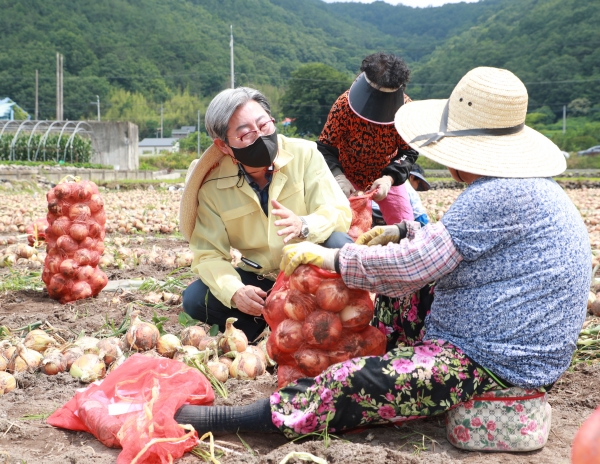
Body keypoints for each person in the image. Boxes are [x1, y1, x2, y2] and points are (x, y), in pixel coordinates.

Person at [174, 67, 591, 439]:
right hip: (512, 341)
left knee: (354, 382)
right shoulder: (517, 185)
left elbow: (412, 266)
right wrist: (401, 229)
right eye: (245, 133)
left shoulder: (494, 195)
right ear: (225, 145)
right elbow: (456, 239)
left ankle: (253, 418)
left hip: (492, 359)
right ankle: (383, 343)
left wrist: (331, 258)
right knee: (394, 294)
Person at [179, 87, 353, 341]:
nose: (260, 136)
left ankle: (329, 325)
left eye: (264, 125)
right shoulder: (213, 187)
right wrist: (236, 291)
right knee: (195, 299)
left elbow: (338, 212)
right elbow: (208, 255)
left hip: (311, 270)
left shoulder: (305, 155)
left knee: (339, 244)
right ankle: (267, 331)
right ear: (224, 146)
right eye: (246, 133)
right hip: (263, 280)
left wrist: (305, 225)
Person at [317, 52, 418, 225]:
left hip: (385, 175)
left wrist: (389, 179)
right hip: (348, 174)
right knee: (347, 225)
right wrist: (338, 176)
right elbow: (326, 146)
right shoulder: (343, 106)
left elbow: (409, 151)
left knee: (404, 225)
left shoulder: (405, 111)